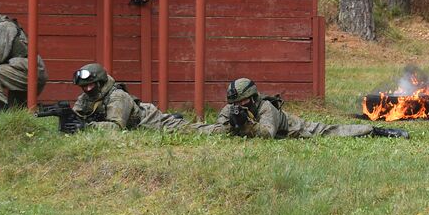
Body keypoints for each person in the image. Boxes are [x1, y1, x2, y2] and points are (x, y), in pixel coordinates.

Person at [214, 78, 407, 139]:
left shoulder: (265, 108)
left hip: (298, 128)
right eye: (234, 104)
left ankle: (377, 131)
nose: (237, 107)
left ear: (252, 98)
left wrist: (245, 125)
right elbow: (218, 129)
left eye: (242, 103)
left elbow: (266, 134)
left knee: (331, 131)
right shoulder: (231, 109)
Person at [71, 63, 194, 132]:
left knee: (194, 130)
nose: (87, 89)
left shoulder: (118, 96)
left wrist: (86, 127)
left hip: (148, 121)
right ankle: (173, 117)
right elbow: (77, 116)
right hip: (136, 117)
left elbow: (115, 128)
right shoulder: (86, 97)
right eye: (84, 86)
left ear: (100, 82)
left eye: (90, 85)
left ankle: (213, 127)